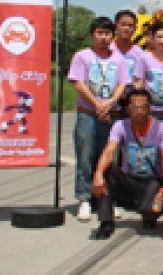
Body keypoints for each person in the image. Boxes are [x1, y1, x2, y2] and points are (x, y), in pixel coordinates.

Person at [67, 16, 130, 222]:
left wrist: (110, 103)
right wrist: (96, 104)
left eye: (107, 34)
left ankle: (108, 198)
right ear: (93, 35)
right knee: (85, 155)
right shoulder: (82, 56)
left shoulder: (118, 59)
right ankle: (84, 199)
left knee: (111, 158)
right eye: (99, 33)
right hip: (88, 113)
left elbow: (122, 84)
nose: (104, 38)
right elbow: (78, 83)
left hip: (111, 114)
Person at [90, 89, 163, 239]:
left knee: (149, 210)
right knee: (106, 171)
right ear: (128, 108)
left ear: (150, 108)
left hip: (152, 181)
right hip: (129, 179)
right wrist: (98, 174)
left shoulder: (162, 127)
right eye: (135, 107)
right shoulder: (120, 125)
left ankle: (149, 215)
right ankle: (106, 222)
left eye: (144, 107)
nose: (139, 111)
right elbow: (109, 151)